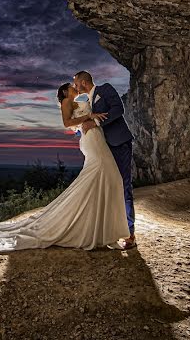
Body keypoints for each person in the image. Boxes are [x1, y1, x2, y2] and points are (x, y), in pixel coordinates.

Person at [0, 82, 129, 253]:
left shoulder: (83, 99)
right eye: (71, 86)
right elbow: (67, 122)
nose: (74, 87)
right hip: (91, 139)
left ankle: (101, 226)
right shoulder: (67, 102)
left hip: (96, 138)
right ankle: (94, 227)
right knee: (103, 173)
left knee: (107, 176)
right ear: (65, 92)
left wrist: (91, 118)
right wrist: (89, 117)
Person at [73, 70, 136, 249]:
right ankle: (111, 231)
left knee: (124, 185)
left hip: (119, 143)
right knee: (106, 188)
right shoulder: (84, 102)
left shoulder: (105, 89)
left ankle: (130, 233)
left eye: (76, 84)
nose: (75, 88)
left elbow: (118, 109)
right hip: (102, 149)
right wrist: (79, 126)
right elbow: (84, 122)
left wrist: (96, 122)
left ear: (84, 83)